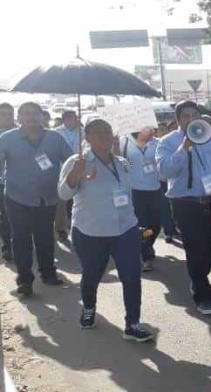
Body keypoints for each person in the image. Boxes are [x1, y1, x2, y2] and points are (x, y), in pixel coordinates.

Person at [57, 119, 154, 342]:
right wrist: (75, 175)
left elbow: (130, 192)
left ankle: (133, 323)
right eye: (97, 132)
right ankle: (89, 308)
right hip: (91, 231)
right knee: (92, 274)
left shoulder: (121, 162)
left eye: (107, 131)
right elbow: (63, 194)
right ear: (87, 138)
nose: (104, 135)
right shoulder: (77, 161)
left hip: (125, 229)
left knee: (131, 276)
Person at [156, 100, 211, 315]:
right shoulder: (168, 142)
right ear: (178, 120)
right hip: (185, 204)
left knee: (210, 249)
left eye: (194, 115)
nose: (190, 119)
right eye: (185, 115)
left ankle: (198, 276)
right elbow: (164, 172)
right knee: (195, 248)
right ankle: (202, 294)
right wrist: (183, 149)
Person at [0, 102, 73, 296]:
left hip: (47, 199)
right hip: (17, 198)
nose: (31, 117)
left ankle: (48, 273)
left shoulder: (55, 138)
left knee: (45, 237)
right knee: (21, 239)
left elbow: (70, 161)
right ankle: (24, 280)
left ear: (42, 116)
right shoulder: (7, 139)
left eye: (35, 113)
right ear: (19, 117)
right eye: (26, 113)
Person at [120, 127, 162, 271]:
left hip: (155, 189)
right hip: (135, 190)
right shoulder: (124, 142)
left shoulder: (157, 142)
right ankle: (145, 255)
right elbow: (120, 162)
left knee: (156, 224)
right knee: (142, 224)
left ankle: (148, 243)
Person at [54, 110, 82, 241]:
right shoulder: (56, 132)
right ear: (64, 120)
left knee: (79, 198)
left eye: (74, 118)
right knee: (62, 200)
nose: (73, 121)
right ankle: (60, 228)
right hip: (61, 169)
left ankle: (77, 225)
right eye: (70, 119)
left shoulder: (83, 131)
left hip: (81, 169)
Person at [157, 121, 179, 243]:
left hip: (172, 179)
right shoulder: (158, 143)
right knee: (165, 207)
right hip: (160, 180)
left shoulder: (172, 143)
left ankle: (175, 227)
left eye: (165, 129)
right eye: (161, 129)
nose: (163, 131)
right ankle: (168, 231)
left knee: (173, 206)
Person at [0, 103, 16, 261]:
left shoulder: (20, 132)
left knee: (11, 217)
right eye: (3, 114)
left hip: (16, 182)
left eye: (9, 114)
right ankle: (8, 247)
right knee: (5, 217)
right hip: (1, 180)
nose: (7, 117)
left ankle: (12, 247)